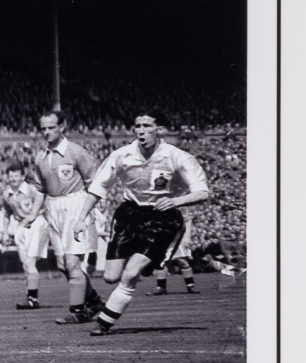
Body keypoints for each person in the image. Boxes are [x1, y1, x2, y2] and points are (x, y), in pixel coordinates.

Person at [68, 114, 212, 336]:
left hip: (161, 218)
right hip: (129, 216)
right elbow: (97, 188)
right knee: (110, 277)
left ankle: (104, 323)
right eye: (138, 126)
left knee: (130, 275)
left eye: (147, 126)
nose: (141, 131)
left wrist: (175, 201)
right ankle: (147, 263)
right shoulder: (122, 155)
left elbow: (202, 192)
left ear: (159, 129)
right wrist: (81, 218)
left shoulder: (177, 157)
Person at [32, 111, 106, 324]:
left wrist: (90, 212)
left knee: (73, 263)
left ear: (62, 127)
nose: (46, 132)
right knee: (64, 266)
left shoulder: (75, 152)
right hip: (53, 210)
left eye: (51, 127)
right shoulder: (40, 157)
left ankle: (78, 311)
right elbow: (39, 189)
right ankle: (94, 303)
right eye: (43, 128)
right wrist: (32, 213)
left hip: (75, 207)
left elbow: (94, 182)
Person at [0, 161, 47, 309]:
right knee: (25, 264)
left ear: (22, 176)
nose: (13, 179)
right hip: (20, 227)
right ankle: (30, 296)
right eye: (10, 176)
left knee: (30, 263)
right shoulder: (7, 194)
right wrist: (5, 232)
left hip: (35, 224)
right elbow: (7, 214)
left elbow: (45, 207)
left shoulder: (32, 190)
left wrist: (32, 216)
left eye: (16, 175)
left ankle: (33, 298)